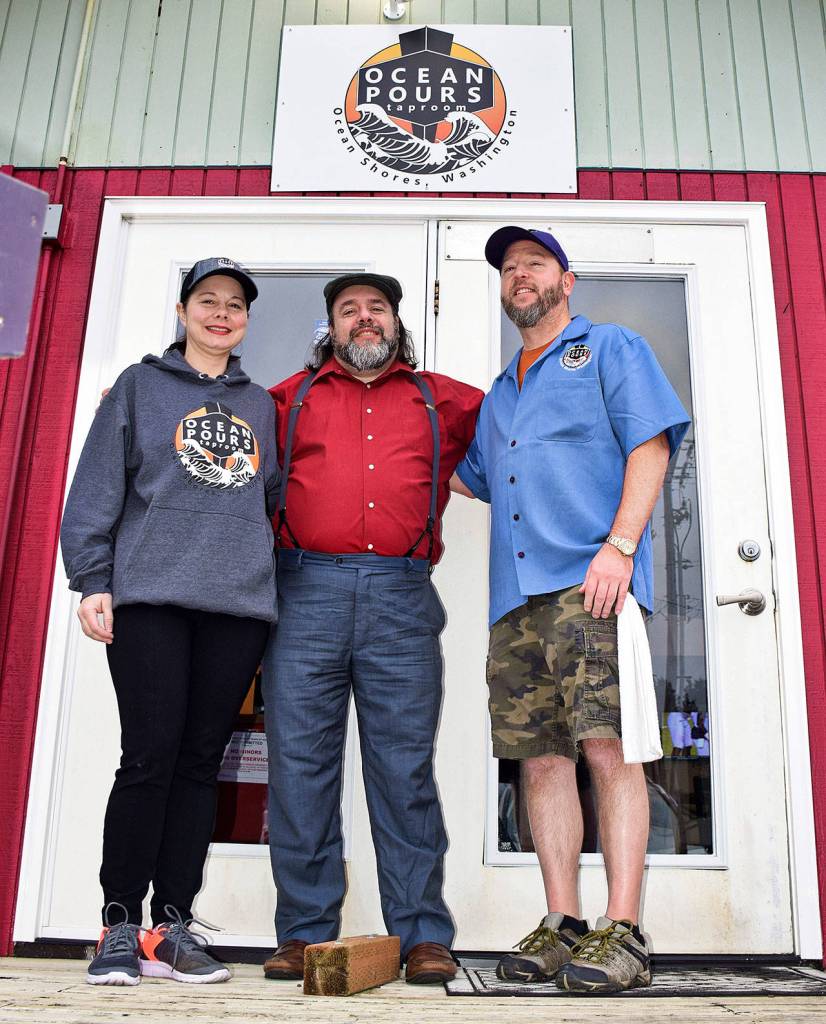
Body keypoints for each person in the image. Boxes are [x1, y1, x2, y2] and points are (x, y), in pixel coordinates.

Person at [452, 227, 690, 994]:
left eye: (535, 264)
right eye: (510, 268)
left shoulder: (611, 348)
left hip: (593, 585)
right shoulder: (500, 391)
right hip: (514, 602)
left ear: (566, 279)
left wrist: (620, 546)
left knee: (608, 750)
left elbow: (649, 445)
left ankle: (624, 928)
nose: (520, 276)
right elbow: (473, 478)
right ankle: (565, 924)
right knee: (540, 758)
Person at [60, 258, 280, 986]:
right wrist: (92, 579)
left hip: (236, 607)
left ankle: (172, 925)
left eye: (235, 305)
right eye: (208, 302)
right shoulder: (138, 388)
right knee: (149, 757)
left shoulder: (262, 407)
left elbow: (270, 500)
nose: (222, 314)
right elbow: (96, 488)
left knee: (198, 764)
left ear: (247, 320)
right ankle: (118, 923)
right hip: (150, 598)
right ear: (184, 312)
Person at [261, 273, 483, 985]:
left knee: (403, 771)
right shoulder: (283, 401)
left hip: (400, 598)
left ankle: (421, 933)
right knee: (299, 770)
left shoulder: (443, 399)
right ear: (331, 326)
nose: (364, 320)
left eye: (376, 309)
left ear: (395, 322)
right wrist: (135, 409)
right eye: (349, 310)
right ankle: (302, 934)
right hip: (303, 592)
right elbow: (210, 445)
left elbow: (527, 424)